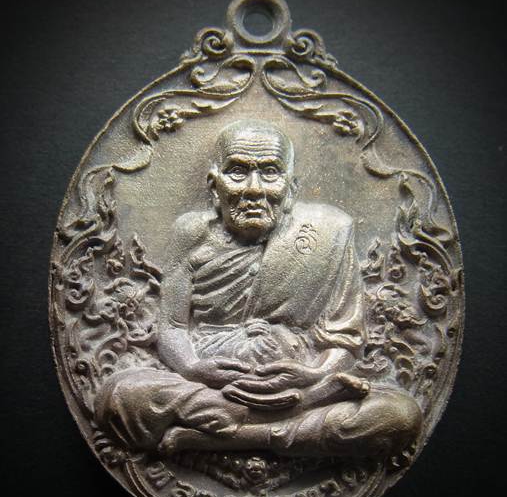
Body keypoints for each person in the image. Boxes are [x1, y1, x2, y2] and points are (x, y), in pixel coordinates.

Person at [95, 120, 421, 459]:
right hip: (214, 387)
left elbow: (344, 339)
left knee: (398, 416)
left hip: (299, 385)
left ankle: (230, 436)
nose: (254, 189)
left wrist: (315, 374)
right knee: (120, 400)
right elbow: (174, 327)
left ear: (291, 188)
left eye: (270, 173)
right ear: (214, 185)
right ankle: (283, 427)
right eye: (238, 172)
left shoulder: (330, 232)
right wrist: (192, 367)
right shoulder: (190, 234)